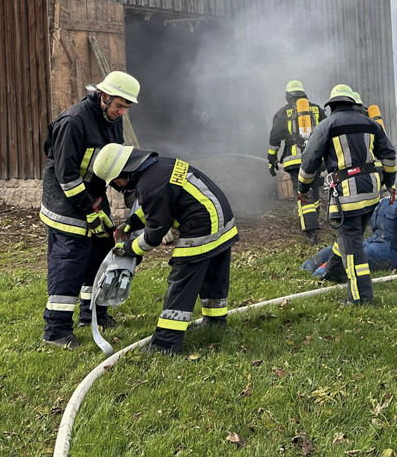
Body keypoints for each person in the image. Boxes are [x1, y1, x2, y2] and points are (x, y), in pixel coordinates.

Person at [92, 143, 240, 355]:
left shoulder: (151, 184)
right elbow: (162, 204)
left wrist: (127, 249)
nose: (118, 185)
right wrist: (132, 223)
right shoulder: (158, 167)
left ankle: (165, 344)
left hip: (202, 225)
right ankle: (215, 323)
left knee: (182, 279)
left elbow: (153, 236)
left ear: (122, 172)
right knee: (213, 274)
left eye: (116, 181)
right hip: (222, 219)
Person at [40, 71, 140, 349]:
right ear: (104, 96)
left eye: (126, 108)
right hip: (65, 199)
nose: (121, 112)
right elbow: (67, 176)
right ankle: (56, 331)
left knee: (101, 251)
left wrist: (129, 189)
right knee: (70, 260)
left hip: (92, 194)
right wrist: (89, 212)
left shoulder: (112, 120)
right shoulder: (74, 121)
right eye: (118, 105)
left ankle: (93, 315)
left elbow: (111, 162)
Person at [297, 84, 396, 305]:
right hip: (371, 193)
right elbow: (389, 156)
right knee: (349, 236)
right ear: (353, 103)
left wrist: (302, 188)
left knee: (353, 247)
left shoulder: (326, 126)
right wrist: (390, 183)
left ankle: (361, 297)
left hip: (347, 196)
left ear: (331, 106)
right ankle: (334, 272)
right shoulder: (372, 124)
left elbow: (309, 161)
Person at [301, 197, 397, 274]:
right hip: (388, 252)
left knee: (344, 248)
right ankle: (323, 272)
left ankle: (310, 264)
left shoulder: (376, 205)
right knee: (357, 258)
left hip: (372, 241)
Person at [267, 80, 326, 244]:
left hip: (295, 161)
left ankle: (311, 231)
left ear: (288, 95)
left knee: (303, 193)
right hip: (315, 158)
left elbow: (275, 140)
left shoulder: (282, 113)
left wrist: (271, 160)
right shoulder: (316, 109)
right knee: (314, 189)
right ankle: (314, 219)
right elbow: (326, 132)